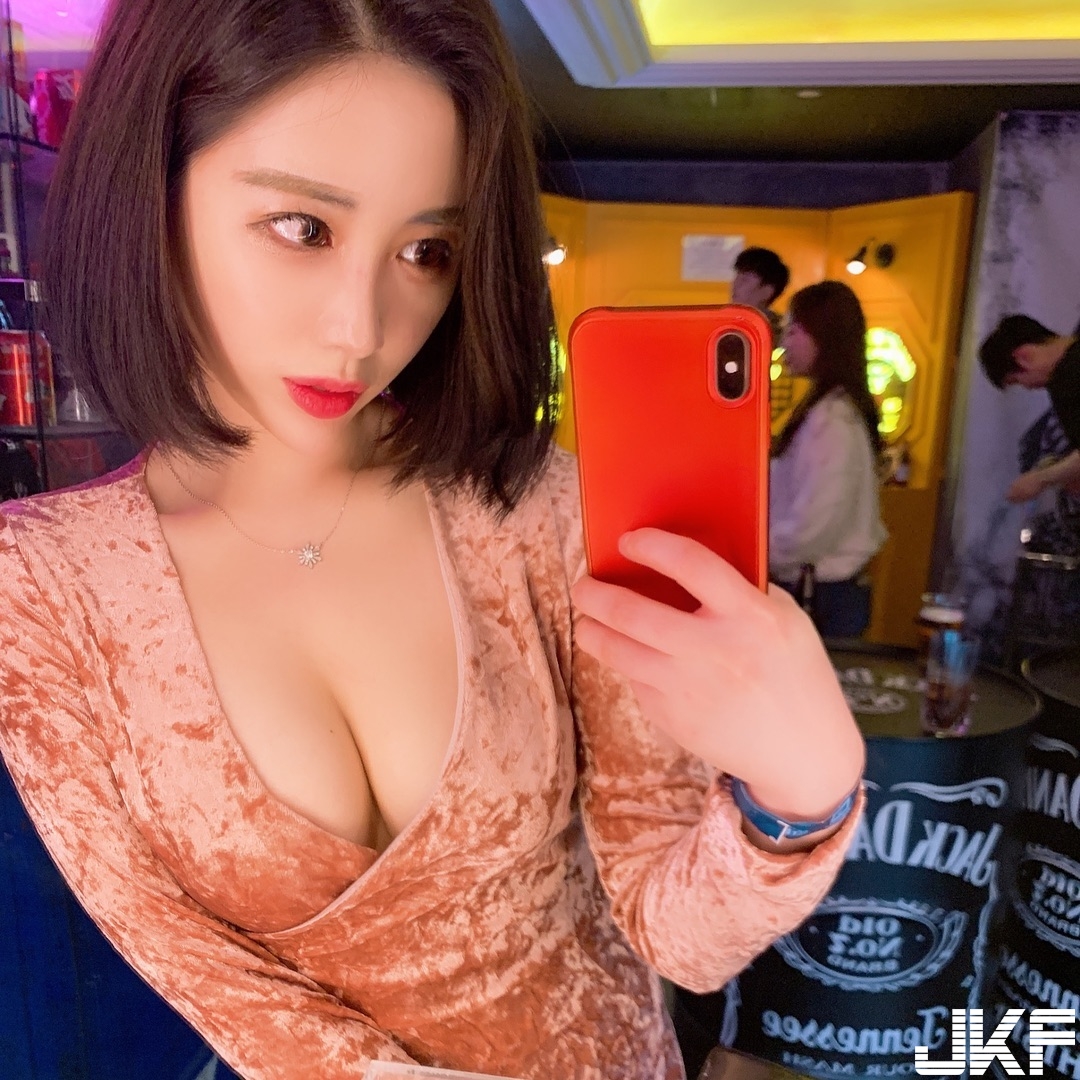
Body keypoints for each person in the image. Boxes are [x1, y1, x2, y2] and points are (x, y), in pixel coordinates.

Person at [0, 3, 866, 1078]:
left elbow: (676, 937)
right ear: (152, 191)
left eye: (426, 250)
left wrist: (801, 794)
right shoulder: (40, 586)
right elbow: (233, 999)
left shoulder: (532, 507)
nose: (362, 329)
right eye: (302, 228)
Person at [769, 281, 887, 638]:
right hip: (820, 590)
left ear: (824, 336)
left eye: (793, 331)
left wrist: (756, 552)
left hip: (821, 594)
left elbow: (812, 525)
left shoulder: (833, 420)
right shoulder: (830, 410)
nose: (784, 344)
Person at [978, 314, 1080, 503]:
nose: (1027, 387)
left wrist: (1040, 479)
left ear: (1023, 357)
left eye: (1017, 381)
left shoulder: (1065, 382)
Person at [730, 246, 790, 346]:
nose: (735, 284)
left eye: (745, 280)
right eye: (736, 277)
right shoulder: (724, 326)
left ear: (767, 291)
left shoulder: (781, 337)